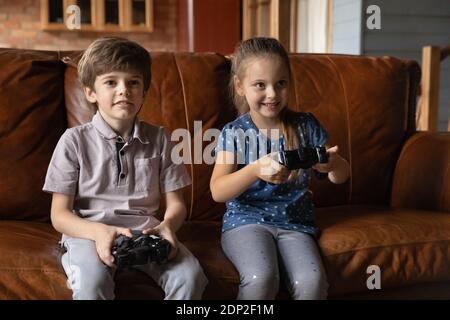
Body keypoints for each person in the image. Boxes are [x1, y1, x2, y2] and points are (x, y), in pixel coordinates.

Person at [43, 37, 207, 300]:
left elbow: (177, 205)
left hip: (146, 230)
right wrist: (99, 232)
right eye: (111, 82)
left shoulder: (160, 138)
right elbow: (59, 215)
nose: (124, 90)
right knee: (92, 283)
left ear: (144, 91)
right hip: (89, 231)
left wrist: (167, 227)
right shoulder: (73, 141)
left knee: (190, 277)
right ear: (90, 92)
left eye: (133, 82)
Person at [210, 37, 350, 300]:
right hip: (246, 222)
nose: (272, 94)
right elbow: (218, 191)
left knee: (312, 281)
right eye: (260, 85)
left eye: (280, 83)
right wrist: (254, 170)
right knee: (261, 277)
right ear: (240, 86)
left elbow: (341, 177)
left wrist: (335, 164)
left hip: (295, 224)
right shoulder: (235, 132)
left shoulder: (306, 126)